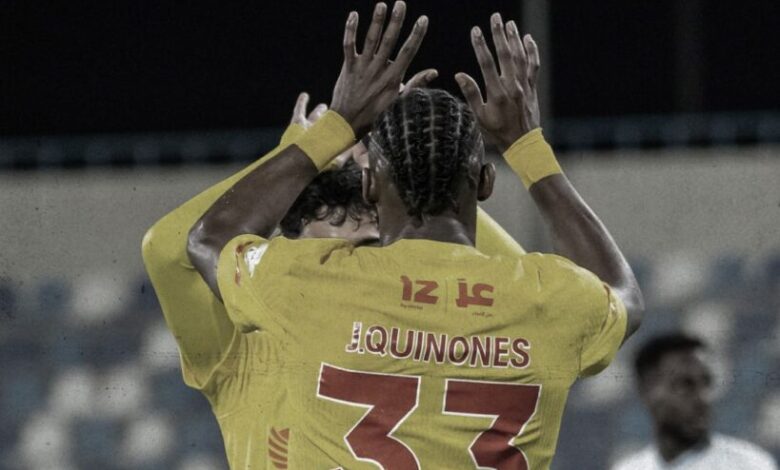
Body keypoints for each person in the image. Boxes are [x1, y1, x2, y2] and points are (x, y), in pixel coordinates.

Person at [187, 2, 643, 468]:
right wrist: (526, 146)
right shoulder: (547, 297)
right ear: (485, 183)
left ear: (369, 185)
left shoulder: (315, 281)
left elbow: (209, 239)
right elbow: (623, 294)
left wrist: (336, 127)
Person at [142, 24, 524, 470]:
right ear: (280, 260)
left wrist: (413, 174)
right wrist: (309, 149)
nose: (353, 268)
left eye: (368, 249)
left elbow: (518, 292)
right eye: (326, 257)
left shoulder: (423, 339)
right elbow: (169, 252)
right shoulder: (246, 352)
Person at [611, 333, 777, 470]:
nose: (703, 398)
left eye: (706, 383)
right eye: (685, 385)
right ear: (648, 390)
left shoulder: (749, 465)